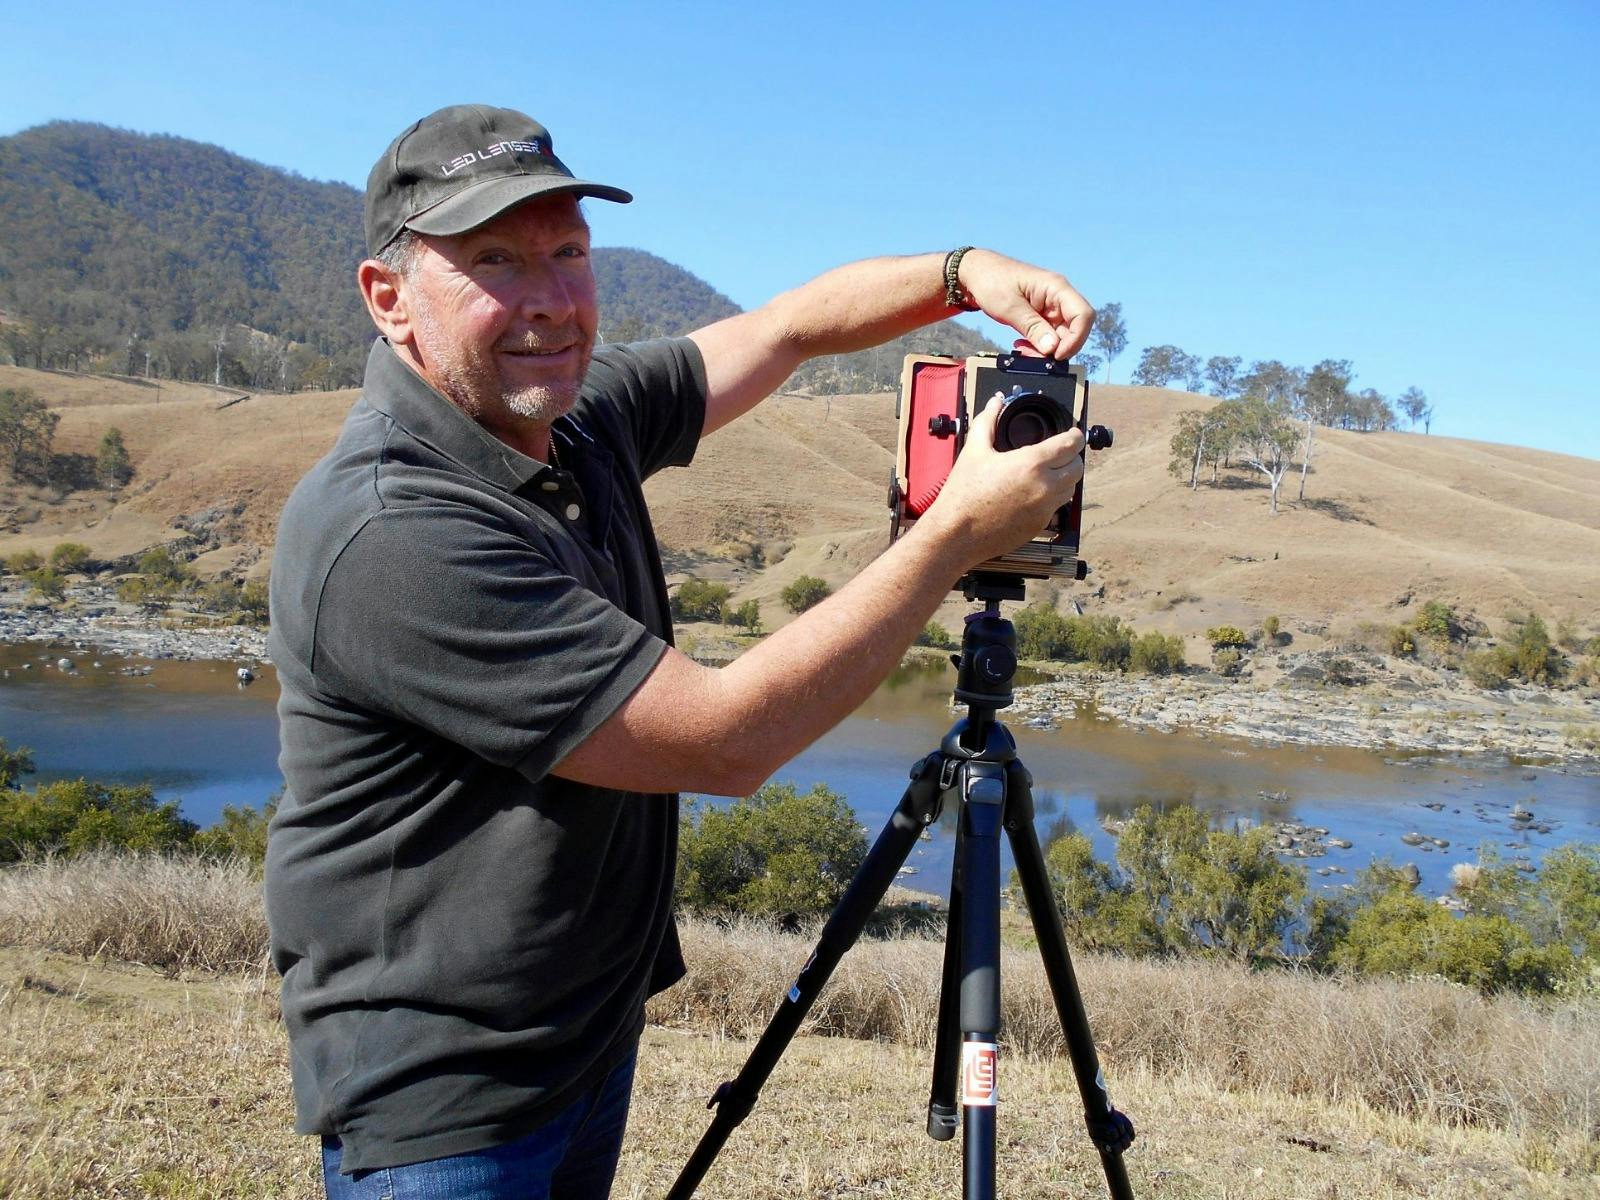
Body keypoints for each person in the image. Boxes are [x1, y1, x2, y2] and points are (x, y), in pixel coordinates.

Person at [265, 103, 1094, 1200]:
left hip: (580, 1040)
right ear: (390, 301)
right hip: (446, 1101)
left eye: (568, 253)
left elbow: (790, 328)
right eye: (494, 263)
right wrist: (952, 539)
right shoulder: (393, 529)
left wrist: (960, 270)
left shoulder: (573, 418)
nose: (551, 301)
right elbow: (721, 742)